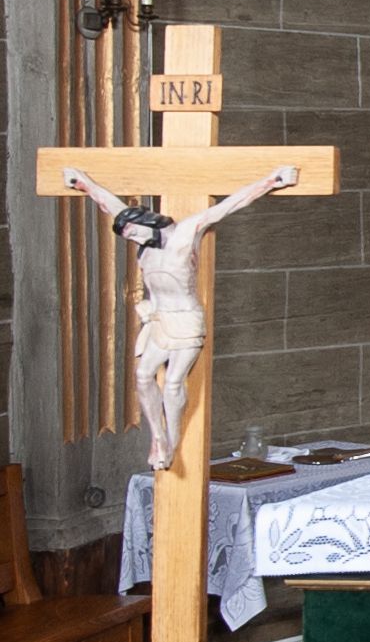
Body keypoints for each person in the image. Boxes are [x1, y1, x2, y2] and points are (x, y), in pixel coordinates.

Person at [60, 161, 298, 468]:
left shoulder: (185, 234)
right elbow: (112, 206)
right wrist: (84, 183)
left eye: (135, 233)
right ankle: (158, 437)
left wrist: (271, 181)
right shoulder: (144, 241)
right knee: (143, 375)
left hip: (186, 321)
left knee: (173, 381)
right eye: (129, 237)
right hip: (160, 320)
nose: (134, 240)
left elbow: (227, 206)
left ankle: (171, 441)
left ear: (148, 221)